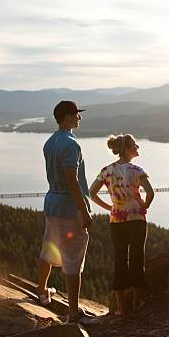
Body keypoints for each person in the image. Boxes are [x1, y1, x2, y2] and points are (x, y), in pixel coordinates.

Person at [37, 100, 98, 325]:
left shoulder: (50, 142)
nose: (79, 118)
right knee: (73, 258)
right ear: (67, 117)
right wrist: (84, 210)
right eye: (76, 114)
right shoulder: (71, 144)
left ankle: (42, 291)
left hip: (52, 203)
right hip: (69, 207)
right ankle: (74, 313)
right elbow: (73, 180)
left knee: (48, 248)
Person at [89, 134, 154, 316]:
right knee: (136, 258)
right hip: (136, 219)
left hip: (116, 220)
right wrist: (144, 205)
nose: (138, 148)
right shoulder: (136, 170)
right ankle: (138, 301)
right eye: (135, 145)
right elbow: (150, 192)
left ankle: (121, 308)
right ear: (127, 149)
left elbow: (91, 193)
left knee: (120, 259)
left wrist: (110, 207)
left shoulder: (106, 170)